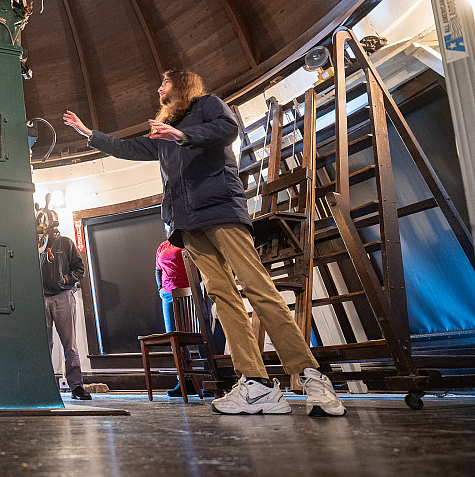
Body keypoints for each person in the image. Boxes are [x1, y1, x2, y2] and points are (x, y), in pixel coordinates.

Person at [64, 69, 345, 416]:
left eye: (164, 83)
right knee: (222, 297)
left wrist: (182, 134)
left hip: (220, 208)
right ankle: (256, 384)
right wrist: (90, 134)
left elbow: (228, 130)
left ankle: (310, 374)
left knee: (257, 287)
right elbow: (128, 147)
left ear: (181, 85)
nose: (158, 88)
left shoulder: (207, 106)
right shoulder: (163, 129)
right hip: (187, 222)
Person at [39, 215, 92, 401]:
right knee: (43, 346)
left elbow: (80, 269)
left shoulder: (66, 243)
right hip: (41, 298)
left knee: (69, 345)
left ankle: (76, 387)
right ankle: (44, 386)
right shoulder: (36, 246)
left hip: (63, 296)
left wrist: (64, 280)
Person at [155, 238, 196, 398]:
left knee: (202, 336)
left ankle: (211, 380)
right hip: (168, 295)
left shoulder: (188, 239)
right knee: (175, 340)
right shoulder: (163, 245)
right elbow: (158, 269)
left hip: (189, 292)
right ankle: (185, 381)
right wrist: (160, 288)